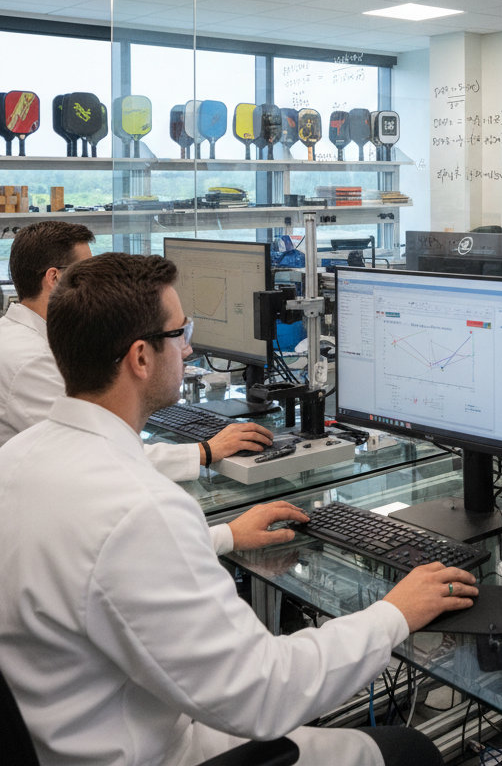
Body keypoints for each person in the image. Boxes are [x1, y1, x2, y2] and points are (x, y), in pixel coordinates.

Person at [0, 252, 476, 766]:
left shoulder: (19, 458)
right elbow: (265, 694)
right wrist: (393, 614)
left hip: (70, 731)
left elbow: (90, 568)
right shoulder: (141, 509)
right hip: (151, 750)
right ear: (140, 358)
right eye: (180, 333)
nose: (188, 347)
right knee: (409, 751)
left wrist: (224, 535)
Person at [0, 221, 275, 479]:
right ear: (55, 278)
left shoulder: (20, 334)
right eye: (85, 271)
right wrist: (204, 451)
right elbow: (94, 457)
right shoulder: (31, 360)